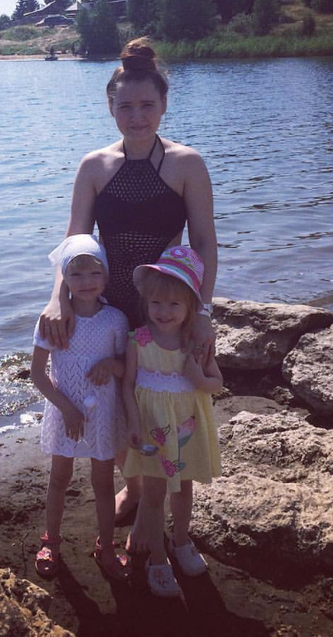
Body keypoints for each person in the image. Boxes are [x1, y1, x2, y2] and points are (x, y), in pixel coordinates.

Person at [38, 37, 218, 522]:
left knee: (163, 401)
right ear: (110, 108)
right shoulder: (94, 166)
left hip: (165, 306)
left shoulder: (186, 163)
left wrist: (201, 311)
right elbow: (74, 240)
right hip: (105, 304)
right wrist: (58, 299)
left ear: (164, 104)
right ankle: (134, 487)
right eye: (125, 107)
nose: (137, 116)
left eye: (147, 105)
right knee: (112, 398)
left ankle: (159, 504)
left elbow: (204, 243)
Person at [122, 246, 222, 597]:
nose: (163, 312)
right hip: (153, 428)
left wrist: (198, 377)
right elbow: (127, 385)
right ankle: (158, 559)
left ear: (191, 305)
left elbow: (216, 382)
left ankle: (181, 541)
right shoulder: (138, 340)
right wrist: (132, 423)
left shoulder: (195, 342)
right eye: (156, 303)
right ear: (146, 302)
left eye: (174, 304)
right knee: (154, 493)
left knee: (184, 486)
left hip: (187, 426)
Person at [31, 234, 131, 581]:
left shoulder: (115, 319)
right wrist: (67, 409)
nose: (86, 281)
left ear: (106, 275)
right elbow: (37, 374)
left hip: (102, 413)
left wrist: (111, 365)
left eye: (94, 273)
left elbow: (127, 368)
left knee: (103, 482)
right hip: (65, 413)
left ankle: (106, 546)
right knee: (59, 478)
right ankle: (51, 542)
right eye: (76, 274)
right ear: (64, 278)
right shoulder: (53, 320)